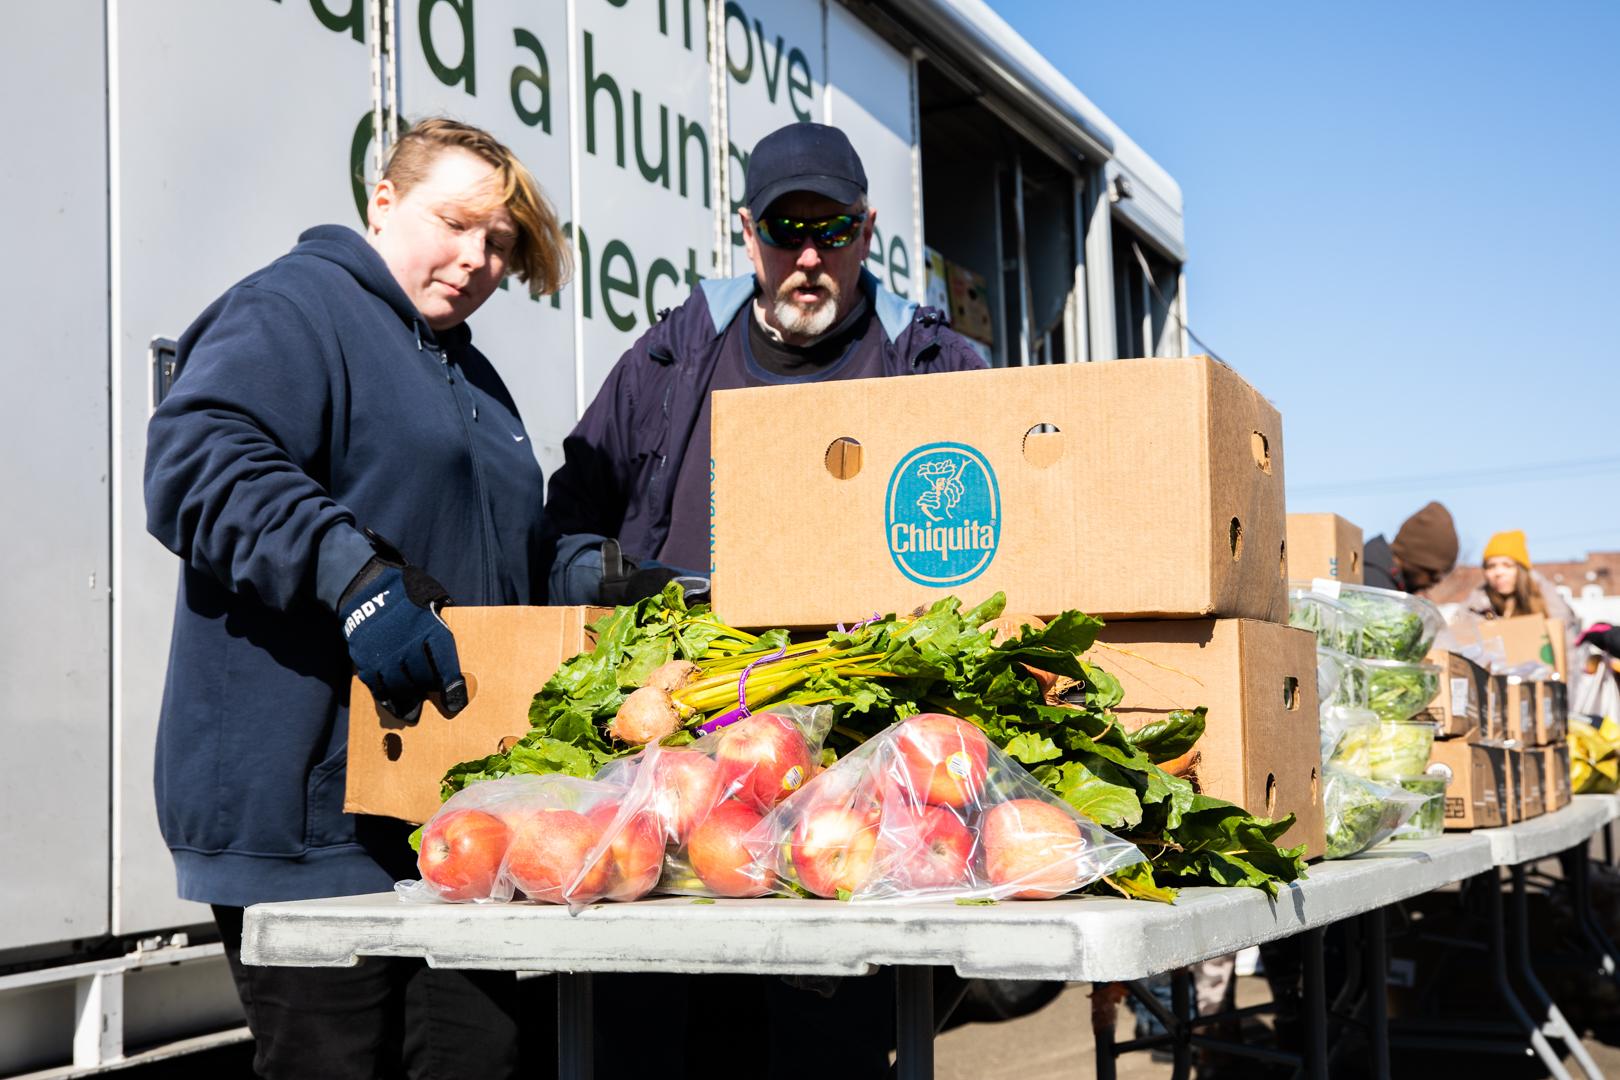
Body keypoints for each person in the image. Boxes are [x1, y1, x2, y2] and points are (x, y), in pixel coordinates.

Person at [144, 118, 569, 1079]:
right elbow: (198, 461)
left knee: (481, 1060)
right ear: (383, 201)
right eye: (455, 223)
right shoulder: (297, 307)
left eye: (500, 243)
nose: (478, 259)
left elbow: (496, 559)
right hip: (309, 824)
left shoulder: (474, 377)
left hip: (448, 822)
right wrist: (355, 578)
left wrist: (588, 576)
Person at [540, 120, 987, 607]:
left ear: (866, 234)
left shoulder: (935, 367)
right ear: (750, 235)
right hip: (679, 656)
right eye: (785, 231)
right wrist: (629, 584)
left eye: (834, 231)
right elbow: (563, 539)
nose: (809, 257)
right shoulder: (666, 361)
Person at [1362, 500, 1459, 595]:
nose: (1433, 584)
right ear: (1415, 560)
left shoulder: (1388, 581)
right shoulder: (1375, 587)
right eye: (1433, 575)